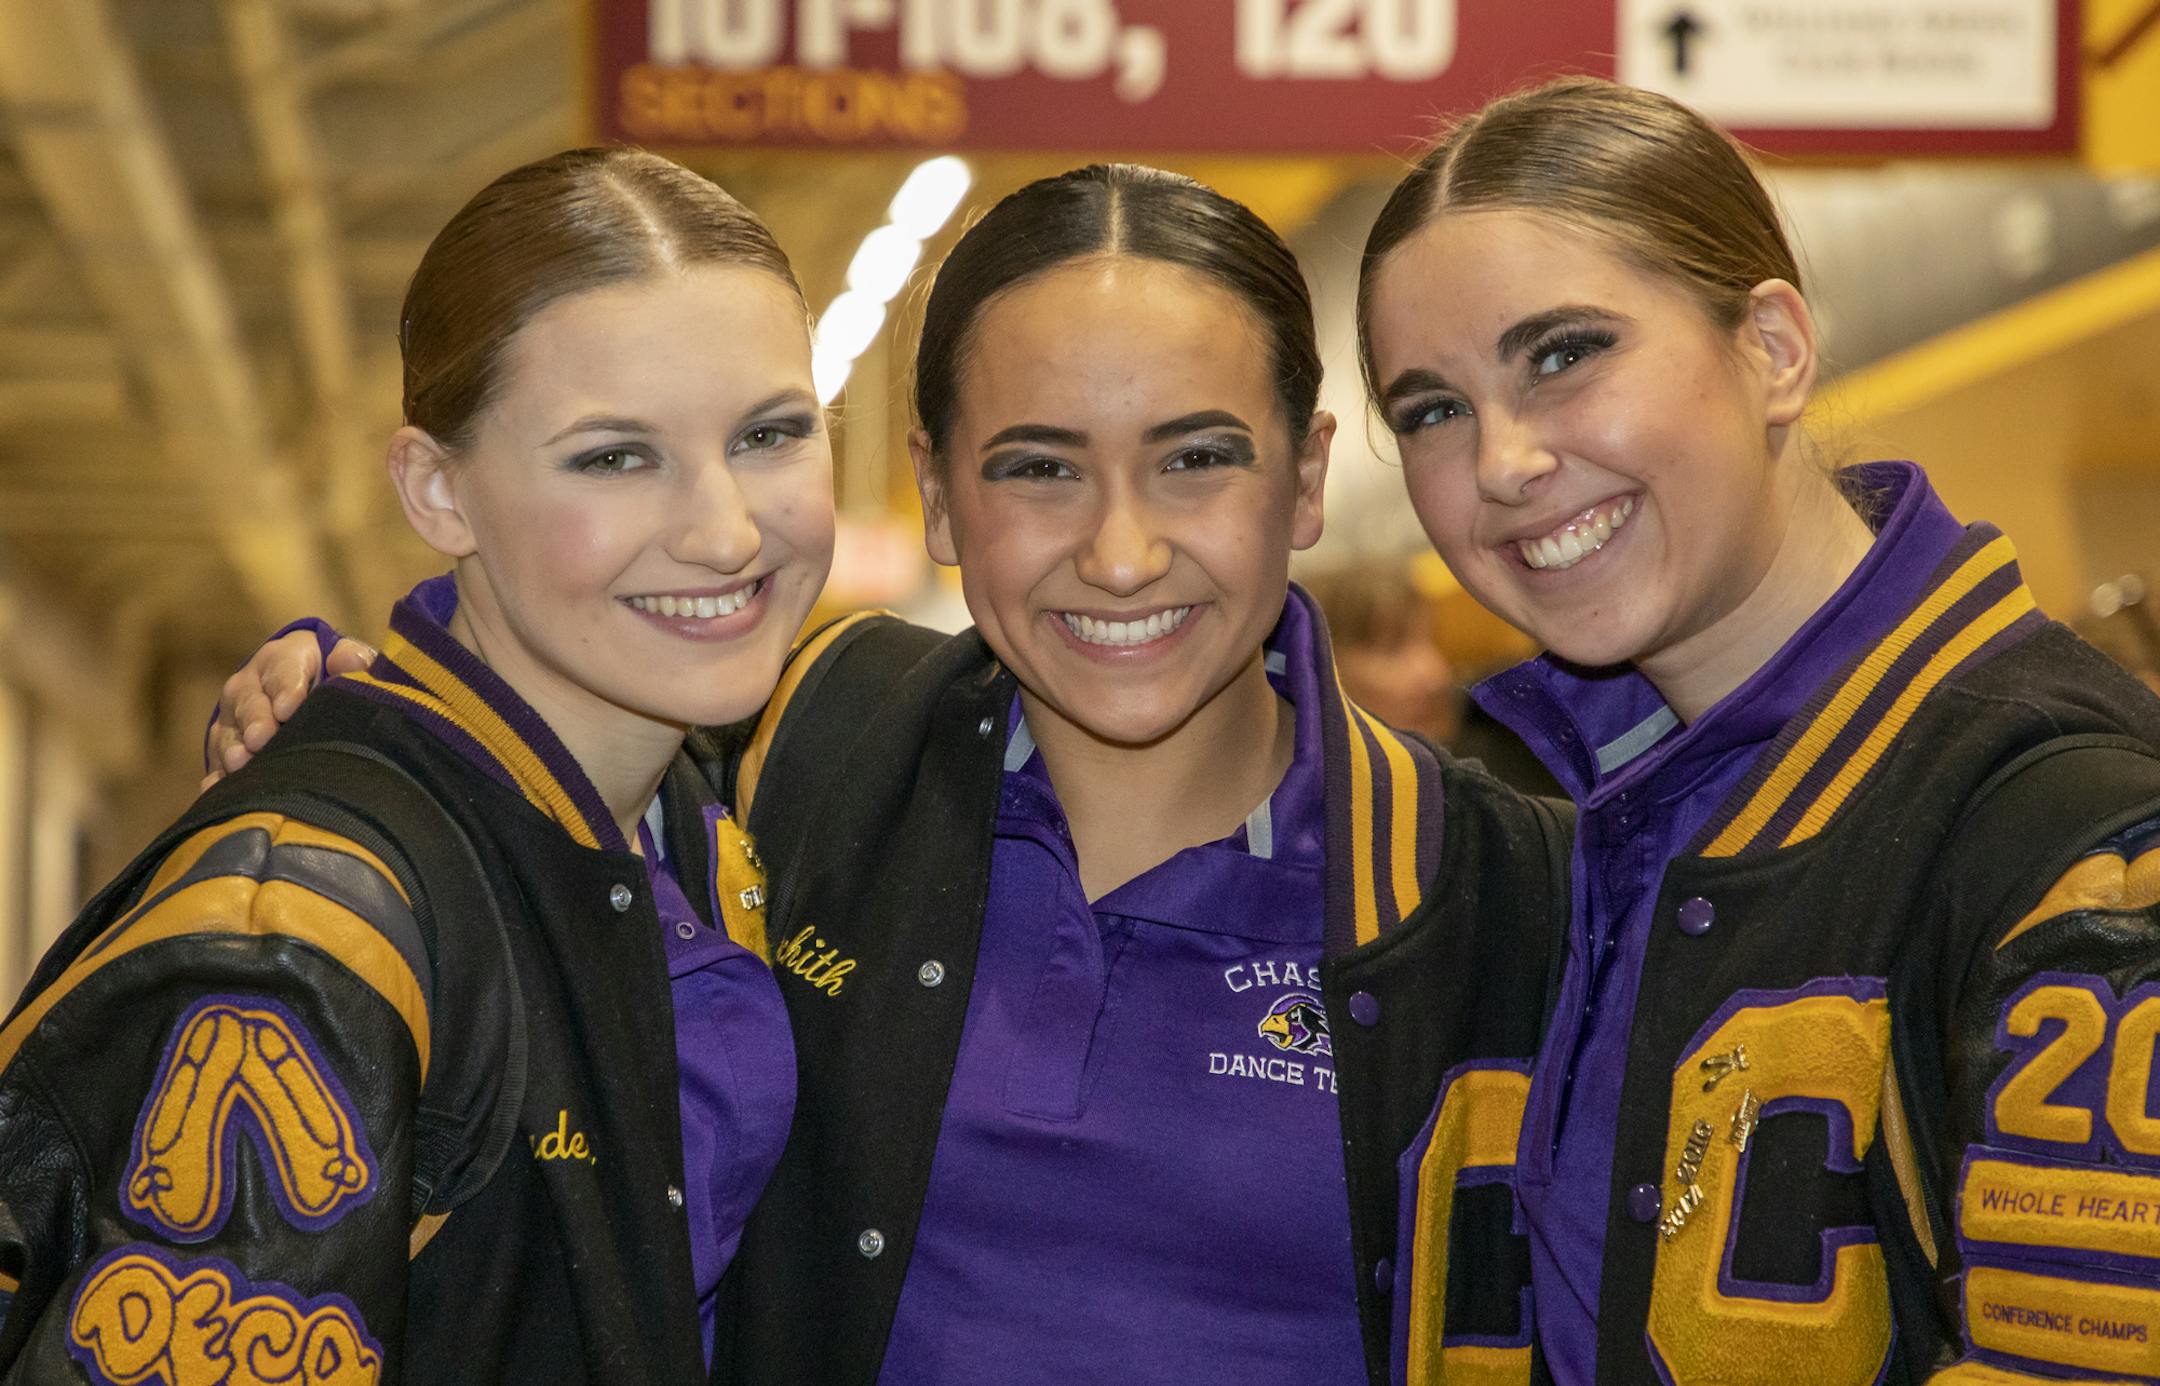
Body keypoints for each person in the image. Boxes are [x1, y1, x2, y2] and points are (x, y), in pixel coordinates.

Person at [206, 163, 1574, 1386]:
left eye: (1197, 460)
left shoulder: (1511, 903)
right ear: (933, 492)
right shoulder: (807, 747)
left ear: (1307, 474)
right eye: (1037, 467)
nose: (1119, 553)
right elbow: (541, 768)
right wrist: (356, 718)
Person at [1357, 77, 2160, 1383]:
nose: (1501, 460)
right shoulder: (1581, 837)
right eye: (1431, 409)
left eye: (1564, 352)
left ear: (1775, 348)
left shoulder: (2059, 818)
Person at [0, 147, 832, 1383]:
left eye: (770, 434)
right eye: (613, 456)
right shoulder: (308, 932)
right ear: (438, 491)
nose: (724, 531)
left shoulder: (690, 827)